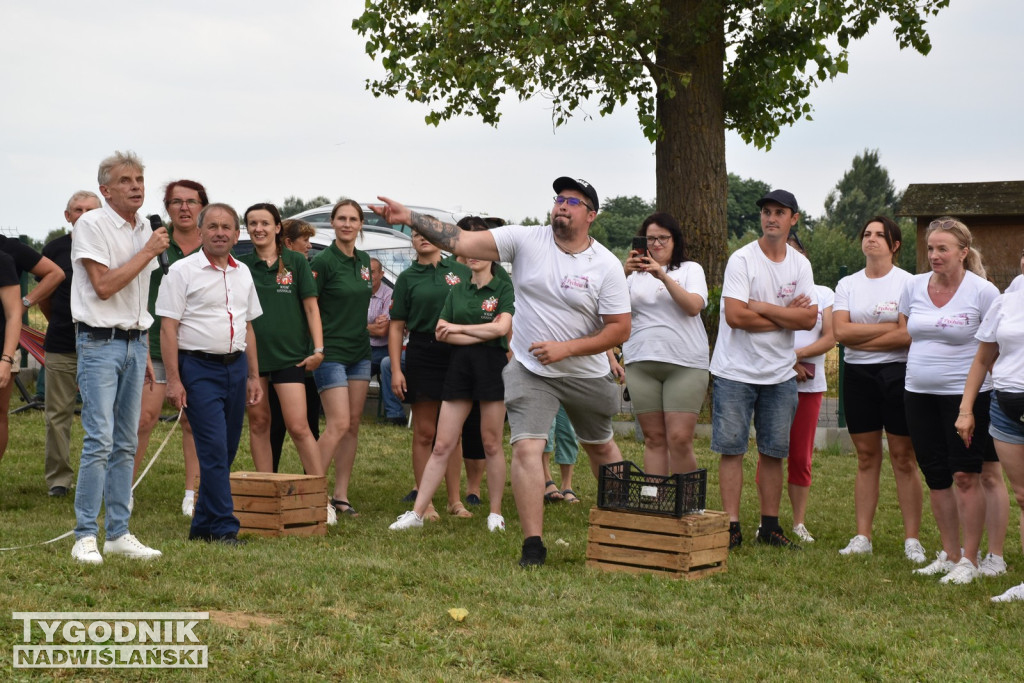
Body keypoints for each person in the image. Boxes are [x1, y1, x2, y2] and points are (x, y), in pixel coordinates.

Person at [374, 176, 631, 567]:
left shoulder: (606, 265)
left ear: (591, 215)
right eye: (559, 198)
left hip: (583, 371)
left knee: (600, 447)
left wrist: (566, 349)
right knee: (527, 446)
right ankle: (533, 545)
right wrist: (410, 217)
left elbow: (619, 328)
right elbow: (458, 241)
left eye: (573, 202)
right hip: (531, 369)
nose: (562, 205)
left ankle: (623, 527)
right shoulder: (526, 239)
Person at [69, 150, 167, 564]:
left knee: (126, 441)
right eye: (126, 180)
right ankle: (84, 535)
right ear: (105, 189)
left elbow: (136, 293)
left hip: (134, 340)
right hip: (98, 342)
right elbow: (105, 286)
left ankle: (119, 533)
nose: (136, 187)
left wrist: (140, 343)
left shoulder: (145, 225)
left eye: (140, 179)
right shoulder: (91, 224)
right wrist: (147, 251)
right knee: (100, 440)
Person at [709, 189, 817, 551]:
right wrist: (784, 315)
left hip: (780, 374)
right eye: (766, 212)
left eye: (779, 212)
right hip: (735, 372)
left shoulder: (800, 265)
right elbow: (735, 316)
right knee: (732, 450)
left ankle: (769, 527)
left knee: (774, 452)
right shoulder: (742, 260)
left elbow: (809, 317)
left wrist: (761, 306)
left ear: (794, 219)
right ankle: (731, 526)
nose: (771, 218)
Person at [901, 217, 1003, 585]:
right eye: (930, 248)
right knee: (937, 476)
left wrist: (967, 406)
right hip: (918, 394)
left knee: (965, 475)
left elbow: (992, 348)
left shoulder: (983, 291)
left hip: (967, 397)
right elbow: (907, 331)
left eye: (943, 248)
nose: (934, 255)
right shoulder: (912, 286)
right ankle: (950, 553)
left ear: (963, 252)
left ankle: (971, 559)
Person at [389, 240, 514, 532]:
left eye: (480, 251)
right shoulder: (457, 289)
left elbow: (501, 328)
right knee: (442, 442)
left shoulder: (502, 287)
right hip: (460, 366)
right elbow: (442, 332)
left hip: (492, 366)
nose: (473, 256)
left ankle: (495, 513)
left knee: (492, 442)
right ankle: (418, 513)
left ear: (492, 256)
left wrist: (460, 328)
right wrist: (478, 332)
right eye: (469, 251)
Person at [158, 202, 262, 545]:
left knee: (227, 449)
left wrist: (253, 375)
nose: (220, 232)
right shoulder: (182, 271)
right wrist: (174, 380)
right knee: (214, 450)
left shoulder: (243, 272)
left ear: (236, 234)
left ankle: (201, 526)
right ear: (200, 232)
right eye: (213, 226)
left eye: (226, 227)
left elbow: (248, 326)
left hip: (235, 367)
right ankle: (223, 528)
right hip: (198, 368)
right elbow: (168, 328)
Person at [833, 216, 923, 561]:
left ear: (894, 245)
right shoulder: (847, 285)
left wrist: (863, 335)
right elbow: (840, 333)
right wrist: (887, 335)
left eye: (879, 235)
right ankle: (862, 536)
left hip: (898, 374)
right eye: (866, 234)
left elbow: (907, 335)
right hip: (857, 376)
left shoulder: (909, 284)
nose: (870, 239)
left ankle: (912, 539)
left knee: (903, 457)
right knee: (867, 457)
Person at [388, 226, 472, 520]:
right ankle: (426, 503)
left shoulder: (460, 271)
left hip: (457, 350)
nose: (421, 237)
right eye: (415, 234)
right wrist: (396, 369)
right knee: (425, 432)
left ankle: (454, 500)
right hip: (422, 351)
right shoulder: (407, 278)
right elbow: (396, 326)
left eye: (427, 232)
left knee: (454, 432)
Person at [238, 203, 324, 482]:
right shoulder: (241, 266)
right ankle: (266, 489)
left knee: (299, 426)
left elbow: (312, 309)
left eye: (264, 223)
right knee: (259, 423)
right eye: (252, 223)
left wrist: (318, 350)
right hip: (253, 359)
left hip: (291, 357)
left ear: (277, 228)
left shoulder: (296, 262)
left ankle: (319, 496)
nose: (258, 229)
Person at [134, 179, 204, 517]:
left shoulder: (214, 244)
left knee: (192, 421)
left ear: (203, 206)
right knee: (144, 419)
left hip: (200, 348)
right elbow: (139, 293)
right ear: (167, 208)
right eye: (176, 202)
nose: (184, 208)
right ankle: (123, 491)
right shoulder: (155, 244)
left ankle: (193, 493)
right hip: (158, 344)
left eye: (191, 201)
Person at [622, 212, 709, 477]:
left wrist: (663, 276)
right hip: (641, 361)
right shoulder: (630, 276)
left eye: (663, 238)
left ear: (675, 240)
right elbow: (605, 310)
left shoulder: (690, 269)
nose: (656, 244)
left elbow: (694, 306)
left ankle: (687, 504)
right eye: (650, 238)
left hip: (685, 363)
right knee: (654, 438)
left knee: (680, 438)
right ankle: (655, 501)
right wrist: (621, 272)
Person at [956, 268, 1024, 601]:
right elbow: (983, 359)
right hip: (1007, 407)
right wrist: (966, 410)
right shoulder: (1006, 303)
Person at [310, 200, 374, 518]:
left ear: (361, 224)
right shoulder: (323, 261)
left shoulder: (364, 261)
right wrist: (317, 348)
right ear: (332, 223)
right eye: (341, 218)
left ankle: (340, 496)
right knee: (337, 424)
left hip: (360, 352)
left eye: (353, 219)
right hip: (331, 352)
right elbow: (309, 307)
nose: (347, 224)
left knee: (352, 426)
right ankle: (311, 492)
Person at [36, 191, 101, 495]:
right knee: (57, 414)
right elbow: (45, 296)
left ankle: (101, 479)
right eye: (78, 209)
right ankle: (59, 481)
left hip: (103, 343)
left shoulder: (111, 245)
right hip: (62, 341)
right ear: (68, 216)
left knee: (102, 416)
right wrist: (61, 322)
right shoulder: (55, 249)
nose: (84, 214)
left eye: (91, 209)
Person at [775, 229, 834, 543]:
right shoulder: (767, 291)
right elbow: (757, 333)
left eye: (796, 252)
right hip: (772, 381)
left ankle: (798, 523)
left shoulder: (824, 294)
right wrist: (786, 364)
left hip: (809, 386)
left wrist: (795, 357)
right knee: (770, 452)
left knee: (800, 456)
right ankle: (767, 519)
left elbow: (830, 337)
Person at [268, 218, 322, 470]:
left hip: (302, 358)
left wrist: (317, 349)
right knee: (274, 425)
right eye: (305, 240)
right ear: (288, 242)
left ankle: (312, 484)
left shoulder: (305, 268)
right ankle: (269, 479)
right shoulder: (275, 268)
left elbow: (313, 309)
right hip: (273, 359)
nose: (309, 246)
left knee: (308, 425)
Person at [367, 257, 404, 425]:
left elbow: (383, 331)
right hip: (362, 346)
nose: (368, 275)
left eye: (373, 272)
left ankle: (395, 415)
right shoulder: (358, 292)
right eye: (365, 271)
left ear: (381, 274)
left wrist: (359, 326)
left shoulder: (389, 294)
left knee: (384, 364)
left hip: (383, 349)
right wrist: (369, 327)